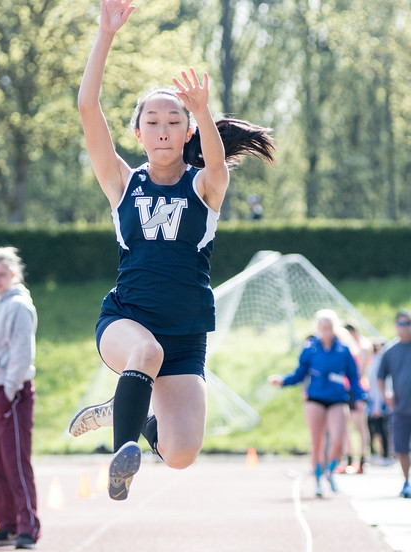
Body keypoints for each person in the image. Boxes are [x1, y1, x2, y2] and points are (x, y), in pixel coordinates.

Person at [69, 0, 275, 501]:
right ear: (138, 133)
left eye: (174, 121)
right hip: (127, 322)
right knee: (146, 351)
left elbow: (218, 164)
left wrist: (202, 110)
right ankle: (122, 455)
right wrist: (105, 35)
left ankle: (123, 407)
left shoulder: (206, 185)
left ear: (187, 133)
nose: (163, 129)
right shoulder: (122, 183)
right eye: (152, 121)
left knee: (181, 454)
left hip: (186, 337)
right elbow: (87, 108)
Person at [0, 247, 40, 549]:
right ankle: (7, 523)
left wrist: (11, 387)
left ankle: (28, 526)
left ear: (14, 274)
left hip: (9, 391)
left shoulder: (19, 306)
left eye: (2, 274)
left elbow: (22, 350)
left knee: (15, 460)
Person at [269, 309, 366, 497]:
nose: (326, 331)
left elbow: (354, 377)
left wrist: (360, 398)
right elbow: (299, 374)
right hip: (315, 399)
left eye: (329, 328)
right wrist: (282, 380)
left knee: (338, 440)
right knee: (317, 442)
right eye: (323, 328)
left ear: (334, 328)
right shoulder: (310, 349)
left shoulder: (343, 350)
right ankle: (318, 479)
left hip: (337, 399)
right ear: (318, 328)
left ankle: (331, 470)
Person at [377, 309, 411, 498]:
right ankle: (406, 481)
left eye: (408, 324)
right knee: (401, 448)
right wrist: (385, 395)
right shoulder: (391, 351)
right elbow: (380, 376)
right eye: (401, 324)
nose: (404, 328)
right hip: (401, 409)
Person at [339, 321, 372, 474]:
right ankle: (350, 459)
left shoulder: (362, 345)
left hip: (358, 389)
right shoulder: (345, 347)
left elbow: (359, 370)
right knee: (345, 426)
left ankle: (363, 461)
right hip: (345, 389)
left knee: (360, 426)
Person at [367, 339, 391, 462]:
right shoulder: (374, 361)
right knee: (375, 429)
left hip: (380, 401)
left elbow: (381, 383)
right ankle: (379, 453)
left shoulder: (381, 362)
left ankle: (385, 454)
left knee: (382, 429)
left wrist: (377, 404)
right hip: (374, 400)